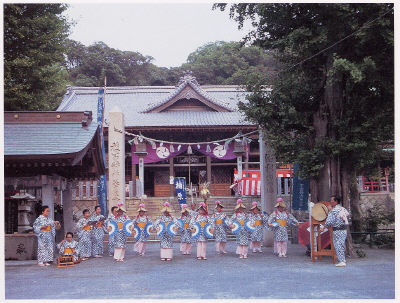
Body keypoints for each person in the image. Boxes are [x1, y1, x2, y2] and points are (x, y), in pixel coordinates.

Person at [321, 196, 350, 267]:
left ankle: (342, 261)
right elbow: (347, 214)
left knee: (338, 245)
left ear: (336, 202)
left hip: (337, 230)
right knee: (341, 244)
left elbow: (329, 222)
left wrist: (323, 227)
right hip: (343, 229)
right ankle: (343, 259)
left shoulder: (333, 211)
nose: (330, 202)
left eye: (332, 200)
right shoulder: (342, 208)